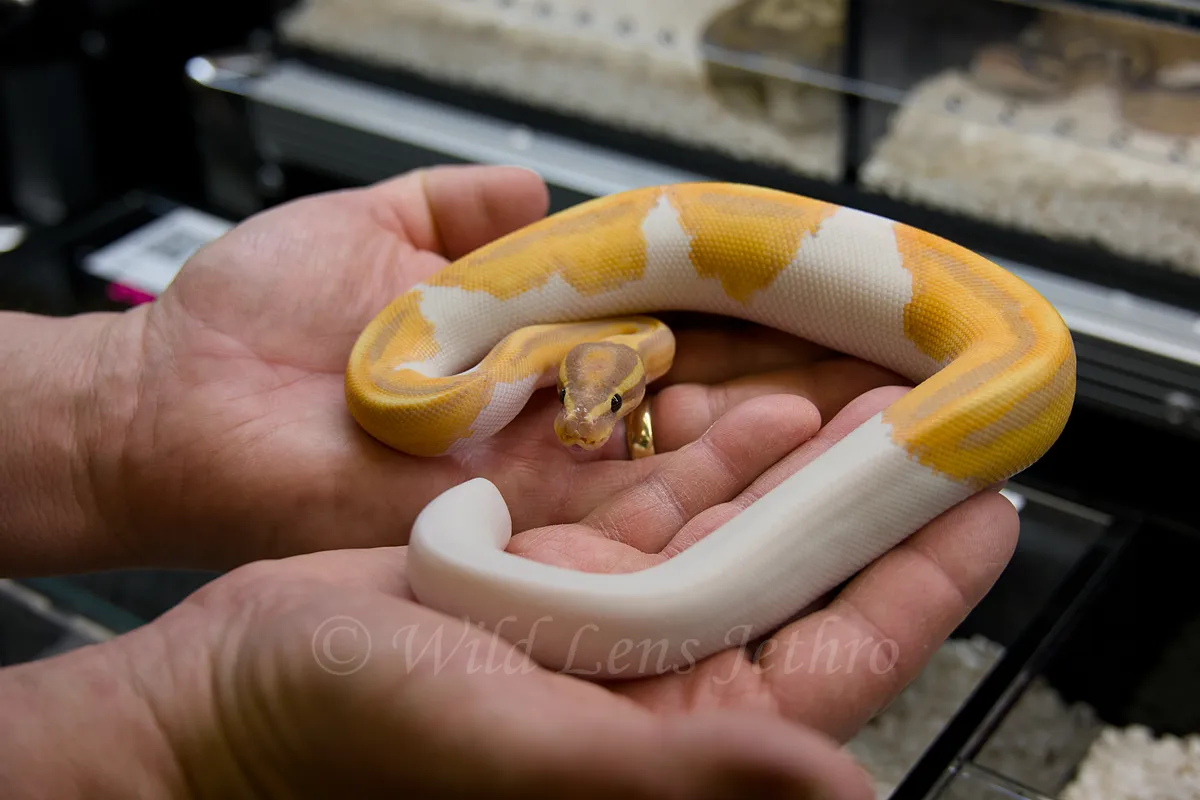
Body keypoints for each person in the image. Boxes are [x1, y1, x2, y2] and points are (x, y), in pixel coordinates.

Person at [0, 165, 1019, 798]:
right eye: (586, 403)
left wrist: (116, 412)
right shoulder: (460, 373)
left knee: (1013, 362)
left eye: (603, 407)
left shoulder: (578, 354)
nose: (587, 431)